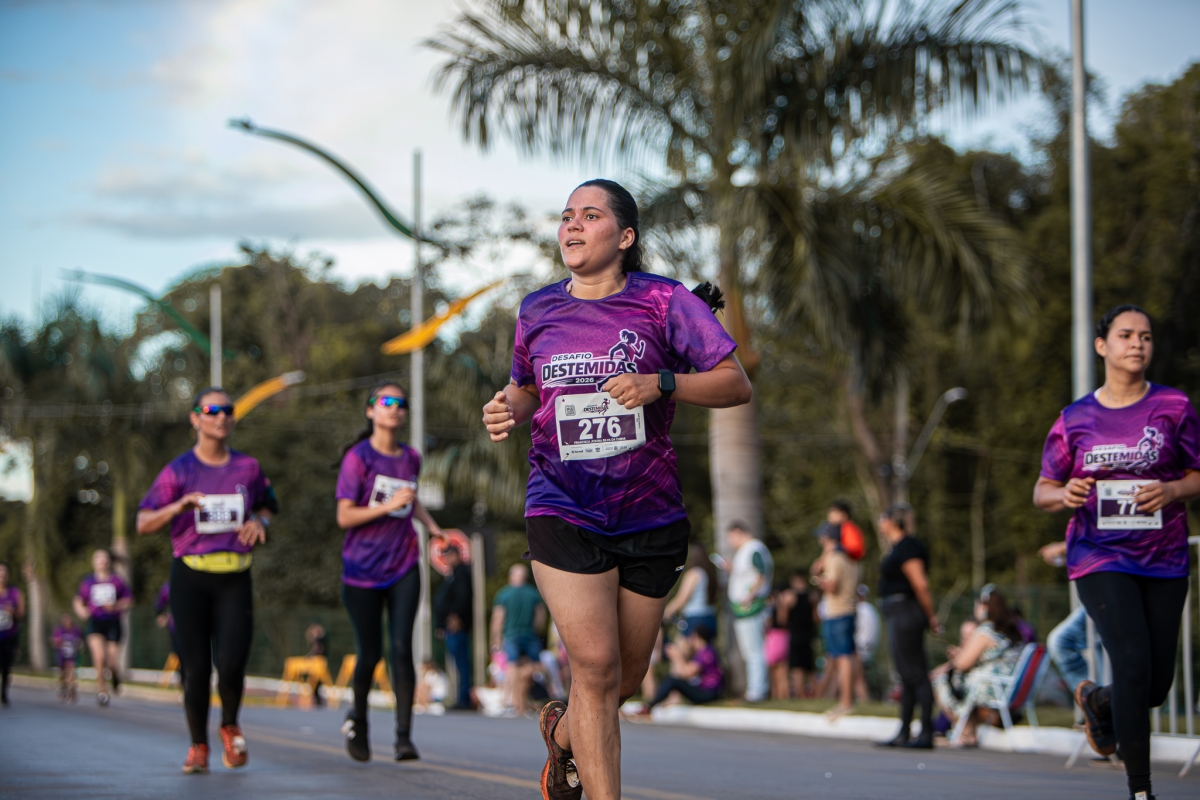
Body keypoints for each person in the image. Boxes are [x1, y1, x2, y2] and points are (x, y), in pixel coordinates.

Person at [481, 178, 750, 800]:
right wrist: (509, 406)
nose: (572, 225)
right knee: (596, 669)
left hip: (649, 512)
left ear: (625, 236)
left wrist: (662, 382)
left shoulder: (665, 301)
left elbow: (735, 383)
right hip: (562, 503)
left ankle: (563, 735)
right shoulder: (537, 310)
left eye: (590, 215)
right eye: (566, 216)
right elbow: (527, 386)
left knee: (622, 679)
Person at [1034, 305, 1200, 800]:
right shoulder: (1075, 418)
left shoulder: (1174, 406)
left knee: (1154, 685)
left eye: (1145, 337)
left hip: (1164, 556)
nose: (1137, 344)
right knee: (1130, 663)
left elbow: (1197, 474)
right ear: (1102, 346)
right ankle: (1140, 791)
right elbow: (1042, 490)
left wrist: (1172, 491)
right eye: (1126, 335)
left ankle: (1099, 702)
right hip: (1099, 554)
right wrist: (1064, 494)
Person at [136, 386, 277, 774]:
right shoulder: (179, 470)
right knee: (195, 669)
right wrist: (178, 505)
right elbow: (143, 522)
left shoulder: (248, 468)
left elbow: (268, 505)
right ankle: (198, 745)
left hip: (235, 578)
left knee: (231, 664)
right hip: (190, 578)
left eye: (227, 410)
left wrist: (259, 522)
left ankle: (230, 726)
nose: (222, 417)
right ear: (195, 418)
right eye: (212, 411)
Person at [334, 381, 446, 763]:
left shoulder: (411, 457)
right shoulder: (358, 458)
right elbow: (344, 516)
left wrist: (434, 529)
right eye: (386, 402)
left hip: (403, 564)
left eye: (401, 403)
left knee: (401, 648)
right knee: (369, 654)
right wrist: (387, 506)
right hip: (361, 571)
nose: (394, 408)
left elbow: (410, 501)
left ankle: (403, 738)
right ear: (371, 411)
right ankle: (358, 721)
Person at [874, 503, 939, 749]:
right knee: (906, 674)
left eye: (883, 517)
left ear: (893, 521)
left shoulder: (909, 547)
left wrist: (931, 616)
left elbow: (920, 584)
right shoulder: (897, 547)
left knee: (916, 673)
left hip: (906, 612)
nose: (880, 522)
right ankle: (905, 730)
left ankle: (926, 733)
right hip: (897, 612)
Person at [931, 585, 1022, 747]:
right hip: (1010, 686)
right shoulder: (1009, 631)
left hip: (991, 687)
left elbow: (962, 664)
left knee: (941, 681)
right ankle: (966, 733)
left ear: (985, 607)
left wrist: (959, 655)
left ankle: (966, 733)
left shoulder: (986, 631)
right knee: (958, 682)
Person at [1039, 541, 1105, 694]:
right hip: (1098, 589)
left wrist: (1065, 546)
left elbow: (1108, 533)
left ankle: (1093, 698)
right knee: (1102, 650)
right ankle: (1100, 699)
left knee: (1061, 641)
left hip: (1107, 590)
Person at [72, 548, 132, 707]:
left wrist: (116, 606)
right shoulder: (88, 582)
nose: (102, 562)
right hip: (95, 622)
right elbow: (78, 600)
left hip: (113, 622)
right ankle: (102, 691)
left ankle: (115, 674)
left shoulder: (117, 581)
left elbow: (129, 600)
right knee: (99, 657)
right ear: (94, 562)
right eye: (99, 559)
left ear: (109, 562)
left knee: (111, 662)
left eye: (105, 559)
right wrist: (81, 611)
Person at [812, 522, 857, 719]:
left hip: (838, 613)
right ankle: (846, 700)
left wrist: (819, 582)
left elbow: (832, 585)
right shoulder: (847, 558)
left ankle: (845, 702)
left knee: (842, 657)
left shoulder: (835, 558)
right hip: (846, 611)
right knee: (846, 656)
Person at [490, 563, 546, 717]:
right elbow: (540, 616)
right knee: (534, 667)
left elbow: (498, 618)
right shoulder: (533, 593)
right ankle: (530, 700)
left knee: (512, 667)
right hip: (529, 634)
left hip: (511, 634)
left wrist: (495, 638)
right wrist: (534, 629)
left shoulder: (504, 594)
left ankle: (512, 701)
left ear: (511, 576)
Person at [727, 522, 773, 703]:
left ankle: (757, 691)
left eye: (731, 537)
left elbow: (762, 573)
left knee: (754, 650)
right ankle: (755, 690)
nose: (730, 542)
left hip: (751, 607)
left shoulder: (754, 548)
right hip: (744, 608)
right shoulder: (748, 550)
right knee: (750, 650)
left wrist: (750, 595)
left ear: (738, 532)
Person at [644, 623, 723, 711]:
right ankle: (656, 703)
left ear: (697, 637)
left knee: (672, 681)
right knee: (673, 680)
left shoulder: (706, 653)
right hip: (706, 691)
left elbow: (686, 673)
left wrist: (677, 657)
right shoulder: (706, 651)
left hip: (707, 693)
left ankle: (650, 705)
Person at [433, 543, 474, 710]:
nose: (447, 558)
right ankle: (460, 696)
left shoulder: (461, 574)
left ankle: (464, 698)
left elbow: (462, 596)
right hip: (449, 625)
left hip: (457, 626)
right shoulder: (453, 574)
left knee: (462, 662)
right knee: (458, 662)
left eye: (449, 554)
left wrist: (455, 616)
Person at [663, 541, 718, 638]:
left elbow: (682, 598)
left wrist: (665, 613)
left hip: (695, 619)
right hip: (710, 617)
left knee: (678, 647)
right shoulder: (708, 573)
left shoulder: (693, 573)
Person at [783, 570, 816, 698]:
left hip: (796, 635)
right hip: (808, 635)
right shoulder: (812, 596)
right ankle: (813, 695)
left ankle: (800, 695)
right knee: (809, 668)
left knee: (797, 668)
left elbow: (782, 620)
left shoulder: (789, 597)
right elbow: (816, 618)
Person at [0, 562, 25, 707]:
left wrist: (13, 612)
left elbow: (22, 613)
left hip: (9, 635)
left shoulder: (15, 593)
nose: (2, 576)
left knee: (6, 666)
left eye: (4, 574)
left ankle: (4, 693)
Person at [154, 581, 185, 689]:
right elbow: (159, 604)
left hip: (196, 627)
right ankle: (184, 683)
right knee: (180, 655)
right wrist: (160, 615)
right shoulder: (169, 587)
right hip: (175, 627)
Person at [852, 585, 881, 702]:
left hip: (860, 649)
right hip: (870, 649)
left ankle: (862, 698)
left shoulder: (860, 609)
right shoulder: (872, 609)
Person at [765, 586, 791, 700]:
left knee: (776, 672)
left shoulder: (773, 609)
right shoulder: (784, 607)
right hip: (784, 637)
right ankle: (782, 697)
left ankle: (778, 696)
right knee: (782, 673)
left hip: (775, 638)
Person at [52, 612, 82, 703]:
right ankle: (63, 687)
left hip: (72, 655)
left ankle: (73, 688)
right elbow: (54, 641)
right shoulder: (59, 630)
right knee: (63, 673)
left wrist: (78, 645)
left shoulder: (75, 630)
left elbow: (79, 641)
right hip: (62, 655)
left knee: (71, 671)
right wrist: (58, 642)